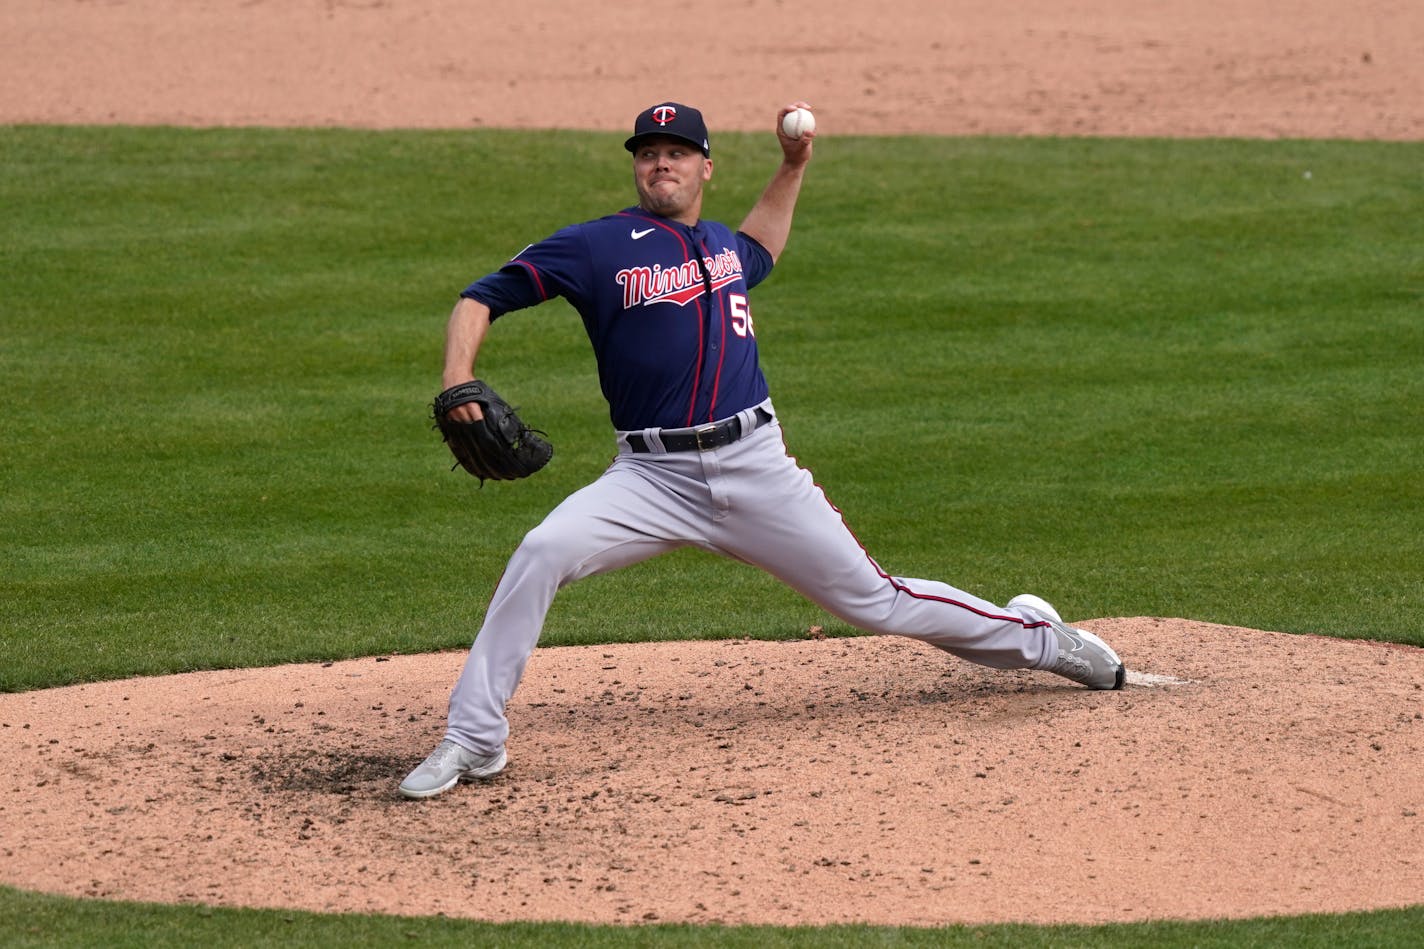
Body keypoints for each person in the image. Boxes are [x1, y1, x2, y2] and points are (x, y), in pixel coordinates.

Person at [398, 101, 1126, 800]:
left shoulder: (724, 246)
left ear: (704, 167)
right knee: (541, 550)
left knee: (878, 600)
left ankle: (1040, 636)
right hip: (650, 478)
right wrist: (457, 377)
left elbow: (764, 244)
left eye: (676, 153)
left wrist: (794, 162)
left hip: (757, 467)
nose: (661, 165)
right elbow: (480, 295)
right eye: (648, 155)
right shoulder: (596, 245)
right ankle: (474, 735)